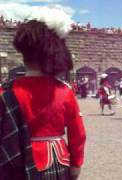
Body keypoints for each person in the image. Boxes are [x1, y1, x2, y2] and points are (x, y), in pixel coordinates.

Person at [0, 20, 86, 179]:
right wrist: (76, 163)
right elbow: (78, 133)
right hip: (55, 160)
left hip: (14, 159)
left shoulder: (5, 91)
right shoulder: (65, 91)